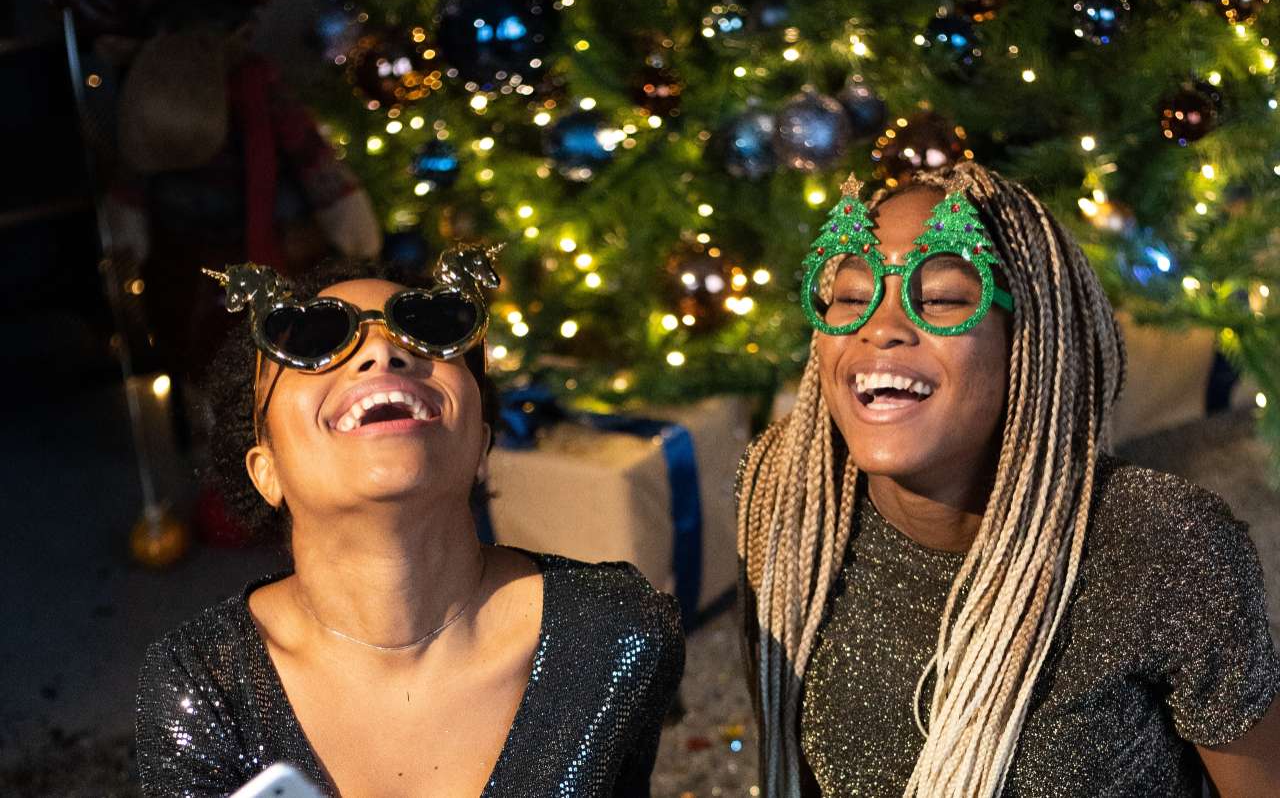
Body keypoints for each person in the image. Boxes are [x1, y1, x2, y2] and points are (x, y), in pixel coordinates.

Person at [736, 163, 1280, 797]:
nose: (879, 328)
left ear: (1029, 340)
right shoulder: (786, 492)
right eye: (852, 298)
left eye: (938, 299)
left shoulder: (1162, 543)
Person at [136, 246, 684, 797]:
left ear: (481, 448)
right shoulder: (203, 688)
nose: (381, 351)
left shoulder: (616, 630)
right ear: (266, 470)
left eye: (429, 328)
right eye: (313, 341)